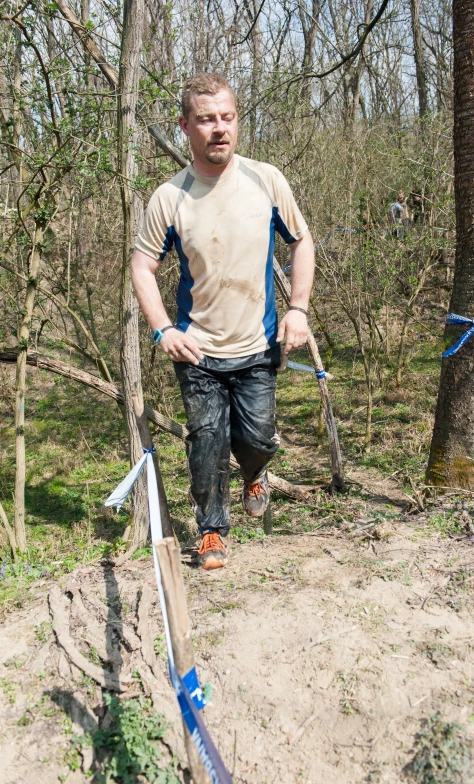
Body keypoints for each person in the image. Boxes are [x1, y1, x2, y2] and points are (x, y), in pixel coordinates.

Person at [130, 73, 315, 570]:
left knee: (255, 439)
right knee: (207, 440)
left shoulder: (266, 180)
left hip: (258, 344)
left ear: (237, 121)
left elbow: (302, 241)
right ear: (185, 125)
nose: (219, 129)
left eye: (227, 118)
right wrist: (162, 328)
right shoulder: (170, 197)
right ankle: (211, 530)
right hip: (198, 350)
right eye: (207, 119)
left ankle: (256, 474)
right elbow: (142, 266)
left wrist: (297, 308)